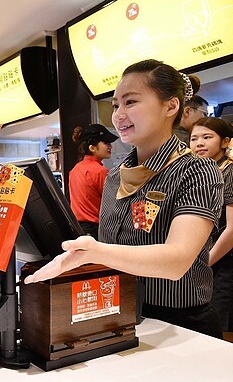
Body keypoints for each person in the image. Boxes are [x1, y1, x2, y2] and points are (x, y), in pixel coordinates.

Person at [24, 59, 223, 339]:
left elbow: (177, 261)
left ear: (170, 106)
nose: (118, 114)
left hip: (180, 324)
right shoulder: (116, 174)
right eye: (116, 105)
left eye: (130, 102)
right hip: (120, 314)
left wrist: (94, 252)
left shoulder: (197, 170)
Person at [190, 117, 233, 333]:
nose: (199, 143)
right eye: (194, 138)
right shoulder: (205, 173)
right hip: (207, 258)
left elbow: (232, 229)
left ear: (225, 142)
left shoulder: (229, 171)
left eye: (207, 137)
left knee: (220, 323)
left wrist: (206, 262)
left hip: (223, 262)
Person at [69, 124, 119, 239]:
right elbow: (114, 203)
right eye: (106, 143)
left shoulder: (75, 170)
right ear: (92, 148)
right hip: (96, 230)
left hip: (79, 229)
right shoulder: (100, 172)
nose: (110, 146)